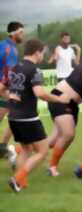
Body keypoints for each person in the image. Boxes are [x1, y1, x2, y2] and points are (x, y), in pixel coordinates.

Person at [7, 39, 70, 192]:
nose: (43, 56)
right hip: (28, 117)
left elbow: (2, 88)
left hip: (13, 116)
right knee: (42, 151)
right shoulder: (35, 70)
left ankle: (21, 183)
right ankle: (16, 179)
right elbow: (40, 93)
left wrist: (10, 95)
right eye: (42, 53)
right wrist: (59, 99)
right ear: (37, 52)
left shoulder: (15, 68)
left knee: (27, 149)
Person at [0, 21, 25, 164]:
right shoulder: (11, 49)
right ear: (16, 33)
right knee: (17, 113)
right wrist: (10, 92)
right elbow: (9, 74)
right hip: (2, 87)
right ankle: (2, 148)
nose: (24, 35)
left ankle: (2, 148)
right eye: (22, 32)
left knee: (9, 113)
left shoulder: (3, 45)